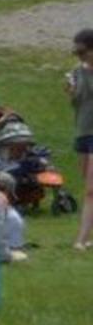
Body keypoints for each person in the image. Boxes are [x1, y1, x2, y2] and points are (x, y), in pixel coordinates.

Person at [69, 28, 93, 252]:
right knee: (89, 187)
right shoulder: (77, 72)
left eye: (84, 52)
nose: (80, 57)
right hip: (83, 131)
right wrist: (71, 92)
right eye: (77, 53)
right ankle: (85, 238)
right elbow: (78, 104)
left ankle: (82, 239)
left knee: (90, 189)